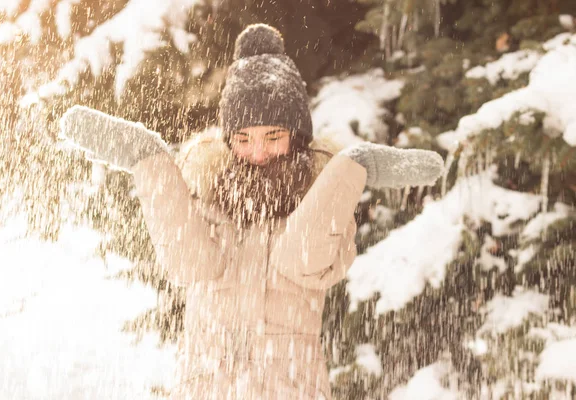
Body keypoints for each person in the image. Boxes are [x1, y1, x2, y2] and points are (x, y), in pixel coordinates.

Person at [61, 23, 444, 400]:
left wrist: (348, 169)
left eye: (273, 137)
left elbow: (302, 262)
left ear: (297, 137)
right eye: (243, 139)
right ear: (228, 141)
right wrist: (150, 162)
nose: (258, 153)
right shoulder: (208, 197)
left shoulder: (323, 205)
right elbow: (189, 265)